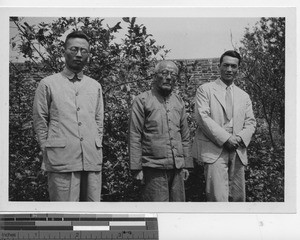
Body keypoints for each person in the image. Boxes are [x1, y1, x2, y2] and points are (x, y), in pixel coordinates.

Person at [33, 31, 104, 201]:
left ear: (89, 54)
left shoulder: (95, 86)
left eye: (84, 50)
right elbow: (40, 122)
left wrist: (94, 145)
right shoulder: (48, 84)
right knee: (65, 215)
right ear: (64, 51)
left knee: (92, 215)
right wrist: (48, 153)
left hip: (91, 160)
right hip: (61, 161)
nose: (79, 54)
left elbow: (98, 122)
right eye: (74, 49)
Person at [192, 50, 256, 202]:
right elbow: (202, 117)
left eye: (233, 66)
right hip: (215, 150)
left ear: (238, 69)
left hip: (237, 149)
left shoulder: (243, 95)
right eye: (226, 65)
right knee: (217, 198)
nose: (229, 69)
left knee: (238, 198)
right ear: (219, 66)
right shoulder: (205, 90)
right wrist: (226, 138)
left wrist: (239, 138)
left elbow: (251, 122)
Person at [129, 60, 193, 202]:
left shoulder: (179, 101)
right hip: (153, 168)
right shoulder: (142, 100)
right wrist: (136, 168)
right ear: (155, 75)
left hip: (177, 169)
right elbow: (134, 135)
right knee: (157, 211)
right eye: (164, 73)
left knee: (178, 212)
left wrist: (187, 164)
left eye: (173, 74)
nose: (169, 77)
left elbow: (185, 135)